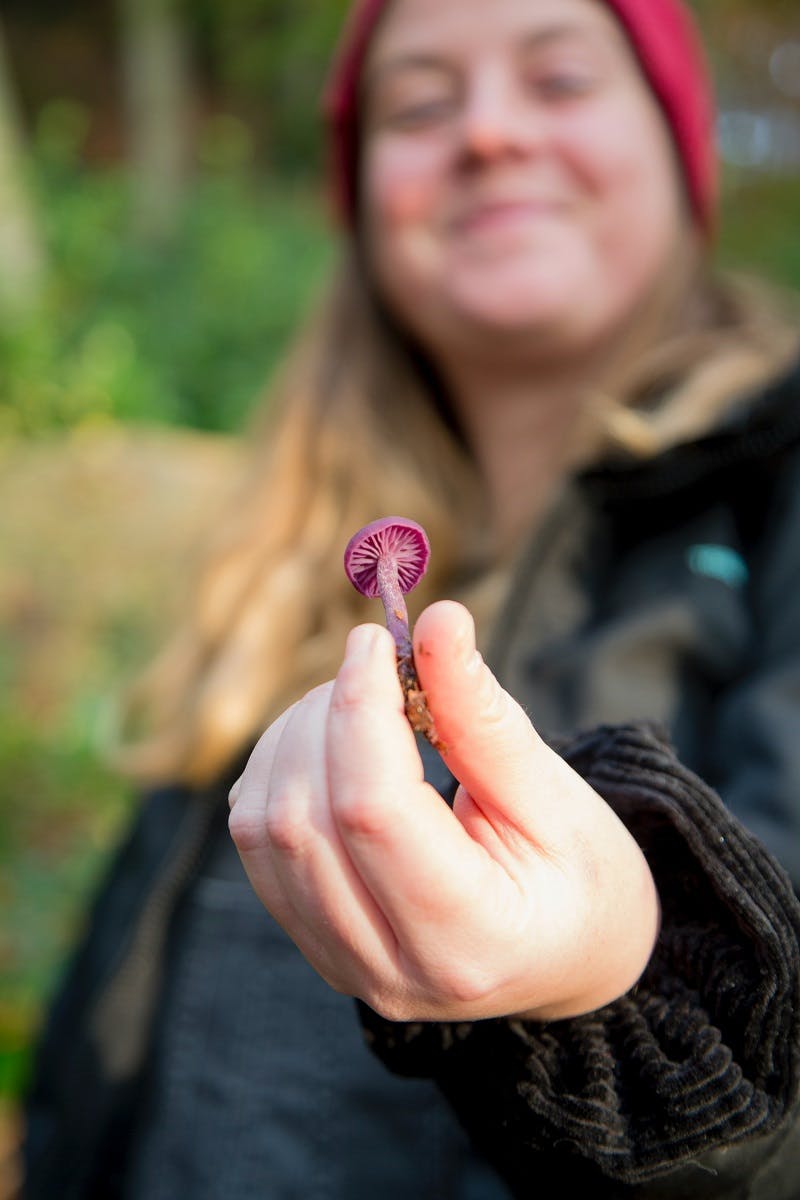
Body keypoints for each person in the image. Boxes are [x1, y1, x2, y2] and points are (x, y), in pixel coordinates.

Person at [21, 0, 800, 1196]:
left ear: (675, 147)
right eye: (421, 104)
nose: (486, 134)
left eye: (556, 80)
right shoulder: (266, 572)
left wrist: (615, 975)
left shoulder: (777, 505)